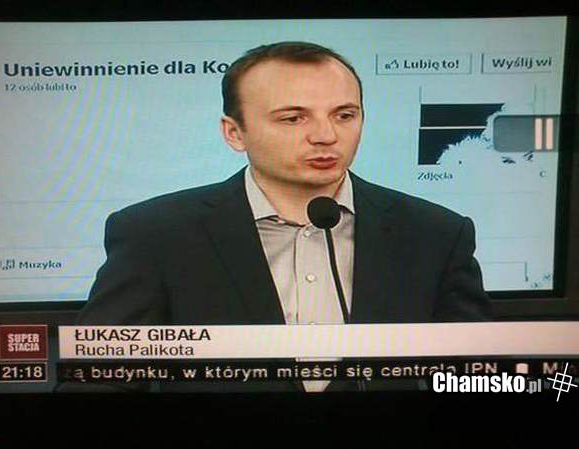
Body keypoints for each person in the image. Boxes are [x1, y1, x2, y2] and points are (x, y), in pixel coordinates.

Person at [63, 42, 492, 393]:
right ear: (234, 132)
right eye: (293, 118)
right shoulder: (155, 235)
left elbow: (477, 378)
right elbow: (98, 380)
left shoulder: (435, 234)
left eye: (344, 115)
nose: (326, 135)